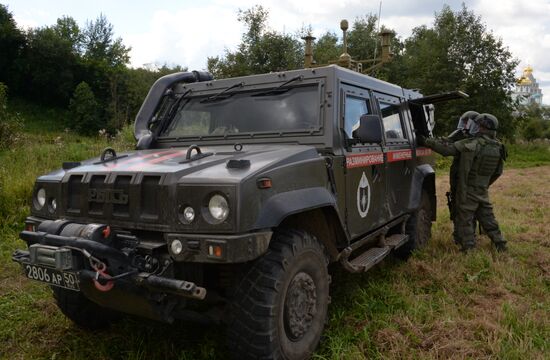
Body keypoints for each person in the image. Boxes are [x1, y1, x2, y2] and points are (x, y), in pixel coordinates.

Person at [419, 113, 507, 252]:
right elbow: (498, 172)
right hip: (482, 189)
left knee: (464, 218)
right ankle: (500, 243)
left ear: (483, 127)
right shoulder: (498, 147)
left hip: (467, 189)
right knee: (487, 217)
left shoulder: (472, 144)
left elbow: (446, 150)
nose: (475, 127)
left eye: (477, 125)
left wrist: (425, 141)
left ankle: (468, 247)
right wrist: (484, 184)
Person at [446, 111, 479, 244]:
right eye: (463, 121)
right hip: (457, 177)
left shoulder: (478, 140)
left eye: (467, 122)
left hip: (469, 180)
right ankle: (459, 235)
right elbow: (446, 143)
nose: (464, 125)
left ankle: (469, 237)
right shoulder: (459, 135)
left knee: (469, 210)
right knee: (455, 205)